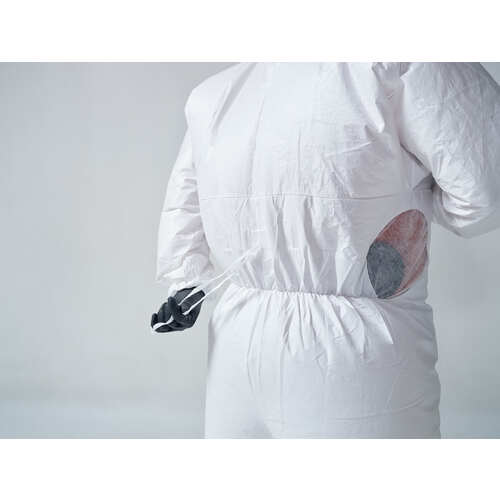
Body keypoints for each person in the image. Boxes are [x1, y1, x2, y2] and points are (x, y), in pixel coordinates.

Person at [152, 63, 500, 438]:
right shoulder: (398, 64)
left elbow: (185, 203)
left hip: (238, 341)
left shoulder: (215, 94)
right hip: (354, 347)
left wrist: (185, 281)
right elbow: (484, 190)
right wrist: (415, 214)